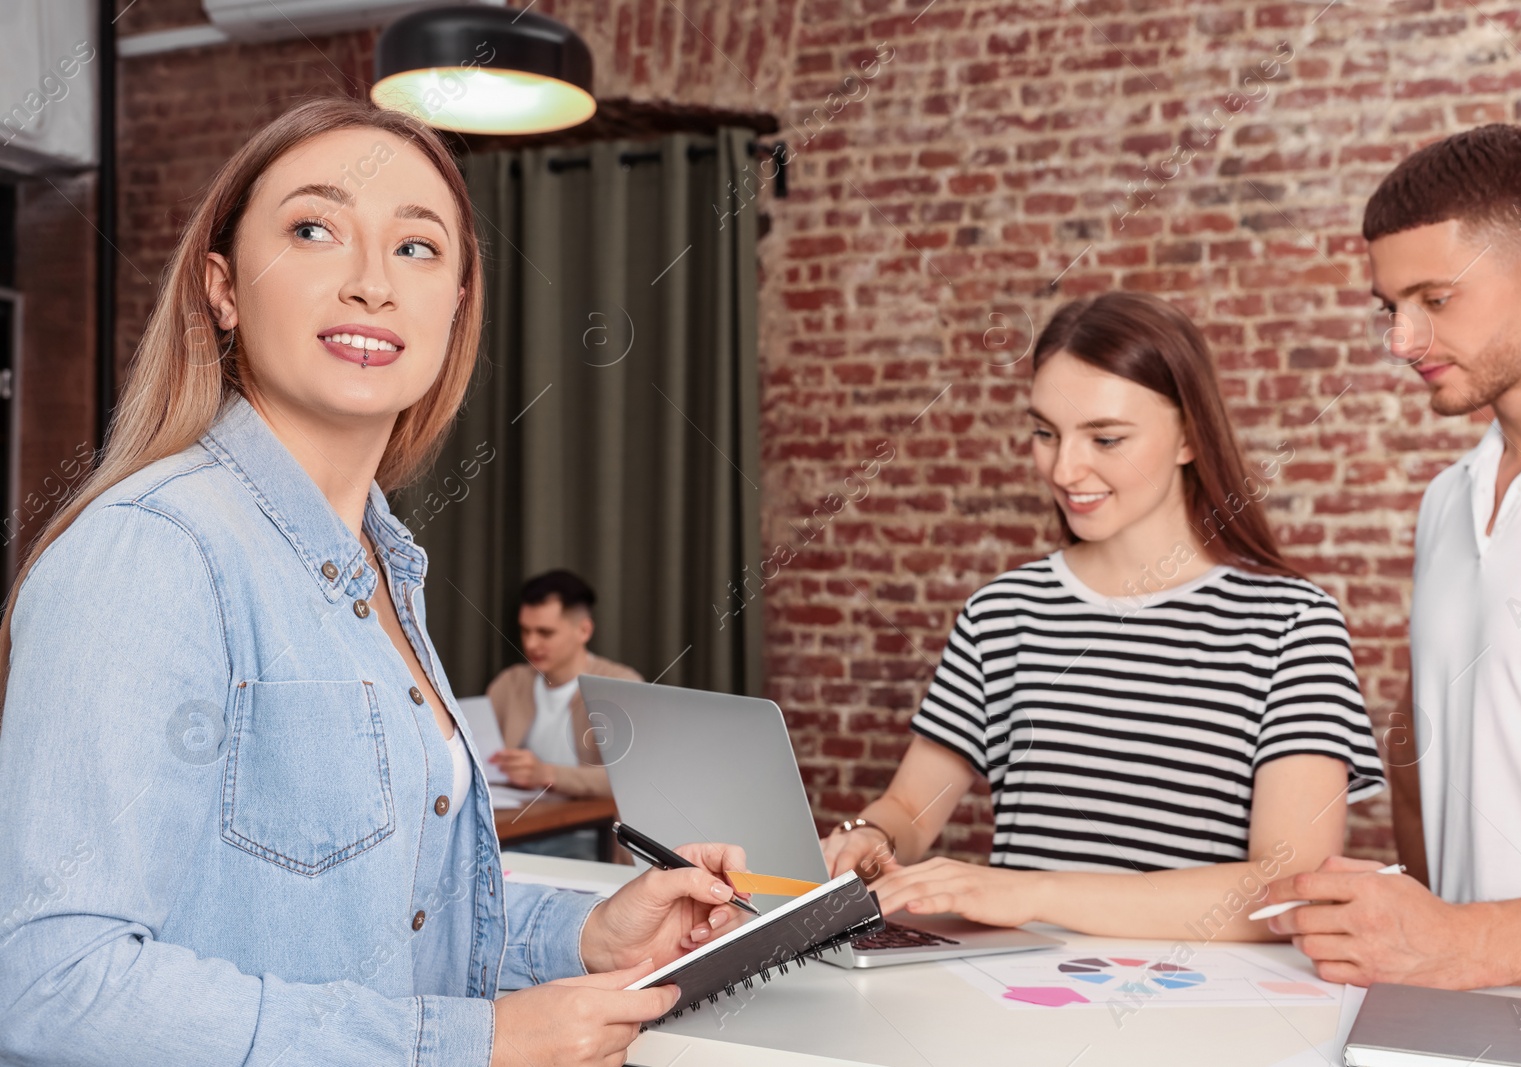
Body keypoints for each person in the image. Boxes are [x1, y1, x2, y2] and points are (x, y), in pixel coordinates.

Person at [0, 97, 751, 1067]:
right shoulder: (153, 551)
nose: (370, 284)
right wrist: (474, 1041)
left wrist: (585, 936)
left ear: (458, 304)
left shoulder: (380, 566)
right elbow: (51, 983)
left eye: (417, 248)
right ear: (223, 287)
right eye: (314, 230)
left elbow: (376, 914)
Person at [823, 291, 1386, 941]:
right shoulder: (1001, 614)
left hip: (1206, 1016)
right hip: (1014, 1000)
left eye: (1106, 436)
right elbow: (909, 808)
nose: (1064, 469)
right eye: (1045, 432)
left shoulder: (1292, 625)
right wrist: (869, 833)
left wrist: (1031, 890)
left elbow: (1288, 888)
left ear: (1188, 436)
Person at [1264, 123, 1521, 990]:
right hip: (1462, 1028)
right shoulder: (1448, 500)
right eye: (1389, 306)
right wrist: (1418, 925)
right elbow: (1415, 750)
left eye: (1435, 300)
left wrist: (1460, 943)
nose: (1400, 341)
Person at [487, 569, 642, 858]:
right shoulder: (509, 684)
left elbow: (631, 778)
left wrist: (546, 774)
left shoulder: (620, 685)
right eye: (525, 630)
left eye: (545, 633)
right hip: (515, 831)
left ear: (583, 630)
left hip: (588, 837)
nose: (531, 644)